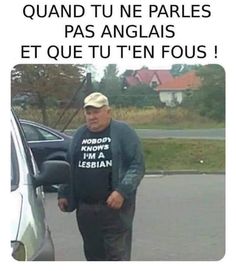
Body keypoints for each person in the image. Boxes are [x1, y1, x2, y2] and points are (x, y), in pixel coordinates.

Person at [58, 92, 145, 261]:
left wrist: (121, 191)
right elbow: (70, 166)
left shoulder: (123, 132)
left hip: (114, 210)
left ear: (108, 111)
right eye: (88, 113)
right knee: (93, 254)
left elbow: (137, 165)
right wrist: (64, 192)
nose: (92, 117)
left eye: (96, 112)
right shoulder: (79, 135)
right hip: (86, 210)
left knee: (116, 255)